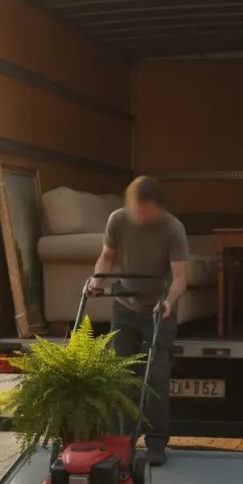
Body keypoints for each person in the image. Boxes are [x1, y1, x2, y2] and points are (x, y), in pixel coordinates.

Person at [85, 176, 189, 466]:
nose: (139, 216)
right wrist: (97, 280)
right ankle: (121, 442)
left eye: (145, 211)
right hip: (125, 306)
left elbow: (180, 279)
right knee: (121, 375)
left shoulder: (173, 229)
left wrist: (167, 301)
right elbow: (107, 257)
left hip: (160, 308)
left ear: (158, 208)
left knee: (155, 376)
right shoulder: (118, 220)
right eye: (135, 209)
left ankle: (156, 444)